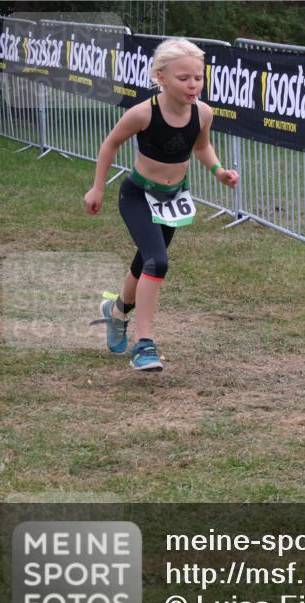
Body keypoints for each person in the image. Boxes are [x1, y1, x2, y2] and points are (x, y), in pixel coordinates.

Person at [84, 38, 238, 371]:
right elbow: (110, 145)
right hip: (138, 195)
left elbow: (200, 147)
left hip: (173, 200)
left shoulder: (203, 113)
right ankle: (144, 344)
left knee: (144, 264)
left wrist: (219, 171)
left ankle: (116, 312)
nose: (193, 84)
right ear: (161, 77)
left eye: (198, 77)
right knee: (158, 260)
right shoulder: (142, 113)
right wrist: (97, 188)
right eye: (184, 78)